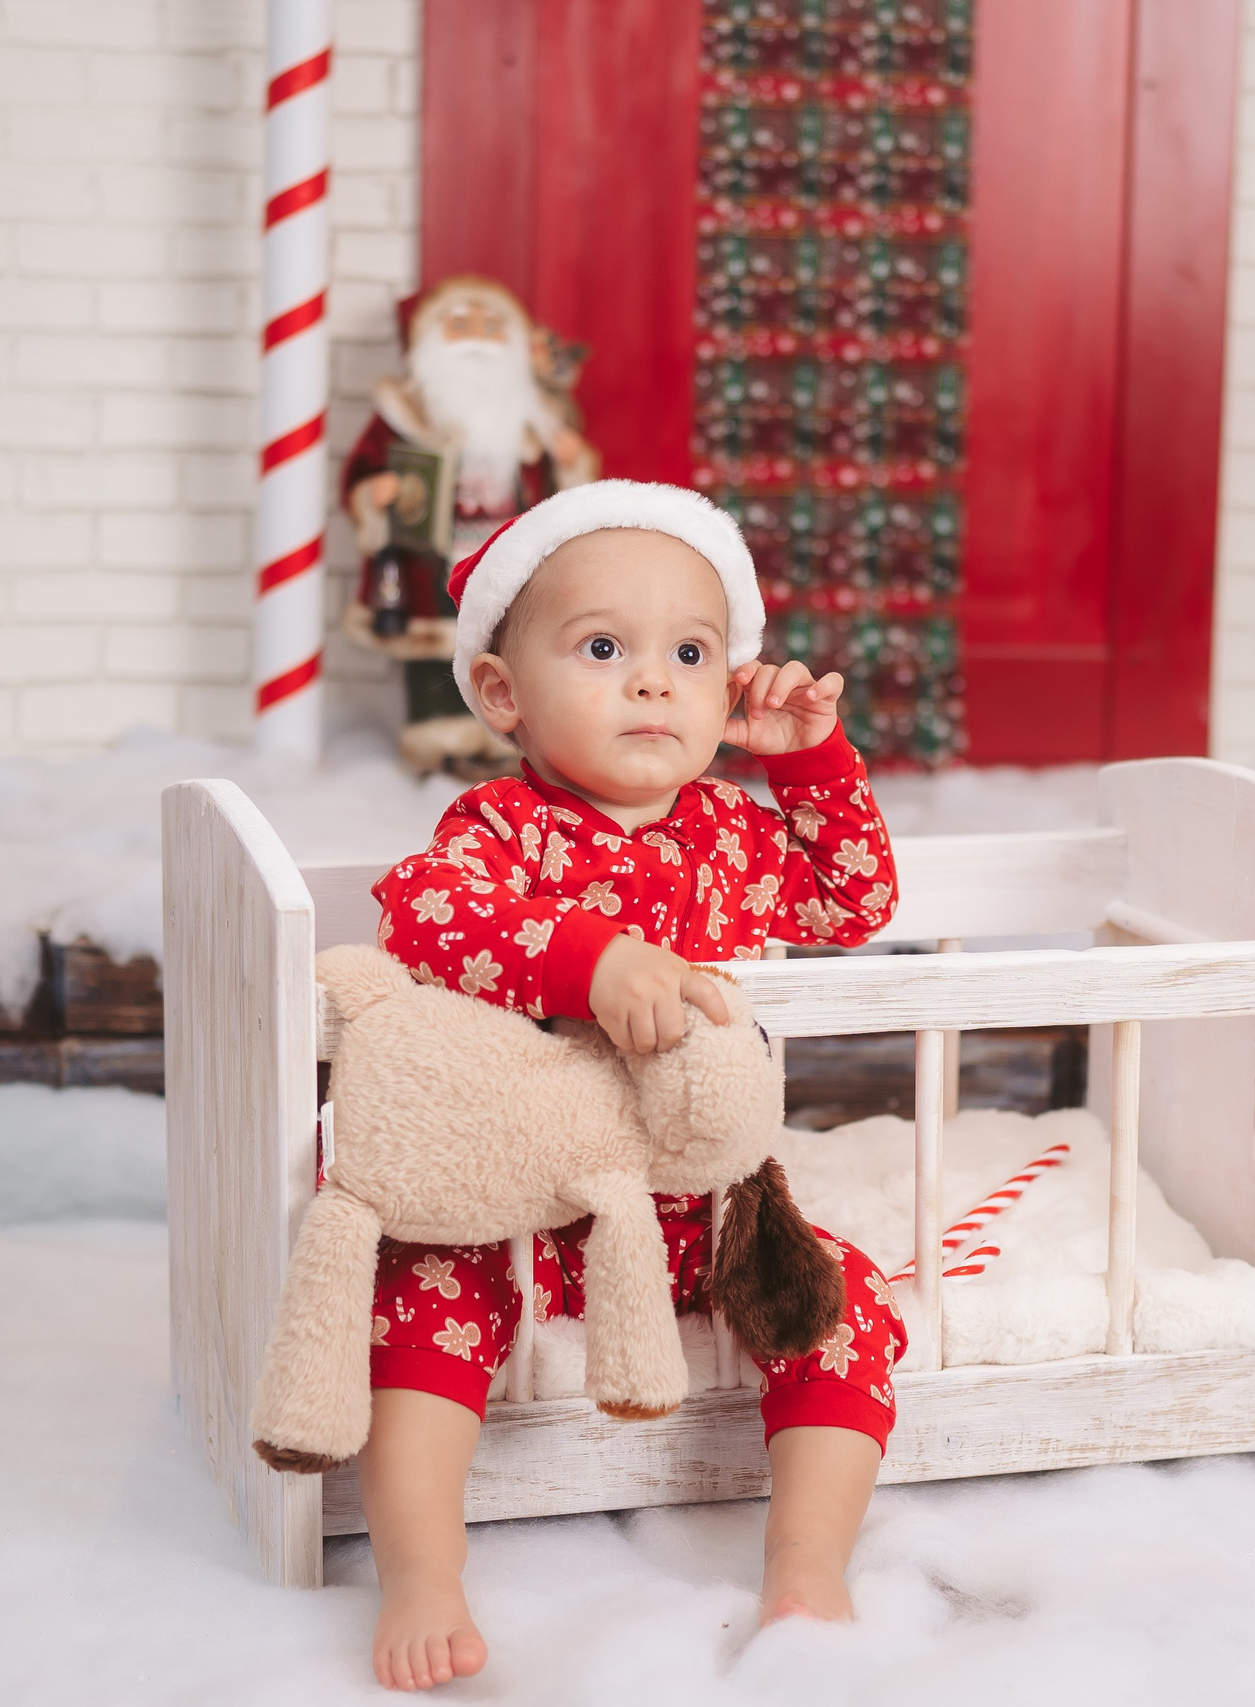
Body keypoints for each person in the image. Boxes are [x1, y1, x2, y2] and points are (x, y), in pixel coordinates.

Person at [358, 480, 904, 1690]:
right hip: (530, 1200)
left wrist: (807, 757)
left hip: (698, 1211)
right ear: (502, 693)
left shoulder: (737, 836)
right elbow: (425, 912)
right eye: (603, 649)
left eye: (691, 653)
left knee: (840, 1302)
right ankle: (420, 1566)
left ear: (726, 687)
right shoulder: (503, 830)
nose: (653, 681)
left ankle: (807, 1558)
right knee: (418, 1288)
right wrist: (585, 959)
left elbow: (853, 900)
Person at [342, 276, 601, 777]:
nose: (478, 338)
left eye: (491, 326)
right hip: (432, 552)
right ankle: (438, 739)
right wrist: (376, 492)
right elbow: (362, 471)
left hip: (509, 548)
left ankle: (502, 738)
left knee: (507, 642)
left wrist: (571, 461)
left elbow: (562, 486)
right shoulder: (405, 412)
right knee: (435, 644)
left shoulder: (533, 416)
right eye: (461, 326)